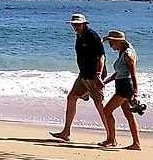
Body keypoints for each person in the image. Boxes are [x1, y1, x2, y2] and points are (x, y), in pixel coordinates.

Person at [50, 13, 106, 142]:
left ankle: (110, 136)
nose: (75, 27)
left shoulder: (92, 35)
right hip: (83, 75)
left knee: (99, 104)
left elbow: (101, 56)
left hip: (93, 76)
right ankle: (66, 132)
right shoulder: (79, 37)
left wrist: (98, 75)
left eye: (78, 24)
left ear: (84, 24)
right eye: (74, 24)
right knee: (71, 97)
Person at [99, 30, 142, 150]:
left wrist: (136, 93)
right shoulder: (122, 52)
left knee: (107, 111)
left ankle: (112, 140)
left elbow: (133, 74)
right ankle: (136, 143)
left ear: (118, 42)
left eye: (111, 43)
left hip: (125, 87)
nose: (111, 46)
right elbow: (118, 73)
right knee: (129, 115)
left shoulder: (128, 54)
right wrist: (104, 82)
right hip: (121, 84)